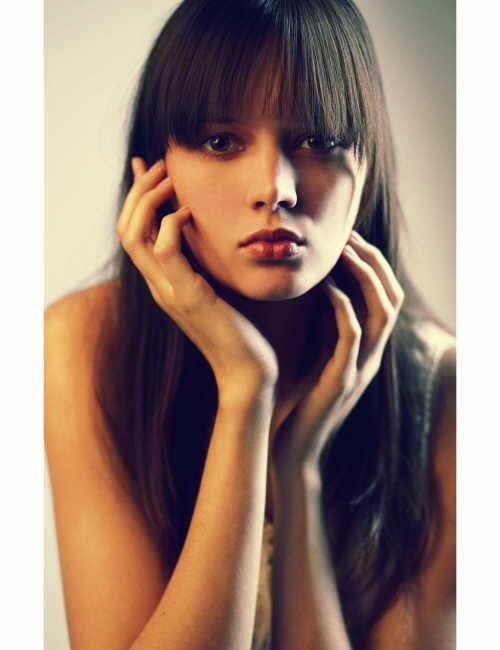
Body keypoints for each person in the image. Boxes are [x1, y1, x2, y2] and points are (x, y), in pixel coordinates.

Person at [44, 0, 456, 648]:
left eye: (317, 140)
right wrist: (246, 388)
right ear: (155, 173)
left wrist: (299, 472)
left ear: (367, 166)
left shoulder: (444, 389)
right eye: (220, 141)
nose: (275, 187)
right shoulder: (86, 344)